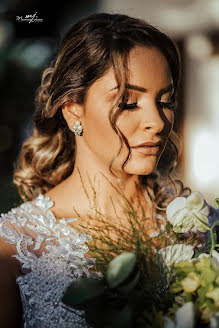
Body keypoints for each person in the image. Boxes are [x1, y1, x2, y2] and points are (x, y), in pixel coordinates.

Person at [0, 12, 188, 327]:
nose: (157, 123)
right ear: (74, 112)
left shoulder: (200, 229)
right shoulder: (13, 247)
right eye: (128, 103)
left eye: (165, 102)